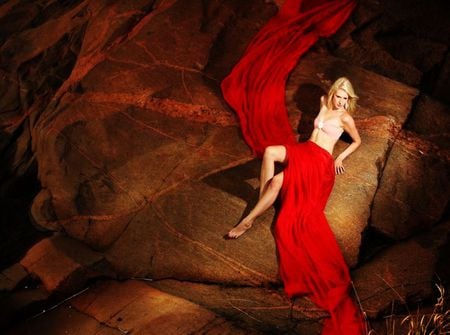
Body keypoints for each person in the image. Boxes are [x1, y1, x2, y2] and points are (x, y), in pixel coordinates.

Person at [227, 77, 367, 334]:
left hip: (319, 163)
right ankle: (264, 198)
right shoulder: (324, 101)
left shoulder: (346, 117)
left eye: (347, 99)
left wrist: (339, 156)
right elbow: (316, 124)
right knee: (270, 152)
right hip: (305, 150)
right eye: (340, 96)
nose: (342, 101)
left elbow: (357, 141)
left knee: (279, 181)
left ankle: (249, 219)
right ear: (333, 93)